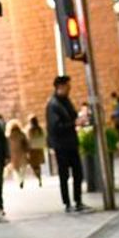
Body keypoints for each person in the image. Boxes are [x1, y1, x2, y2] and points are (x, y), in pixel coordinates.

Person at [45, 75, 87, 213]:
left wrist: (80, 118)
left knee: (78, 172)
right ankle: (67, 202)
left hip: (71, 142)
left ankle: (78, 200)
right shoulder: (53, 105)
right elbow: (55, 127)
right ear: (60, 87)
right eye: (68, 86)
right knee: (64, 175)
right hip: (61, 145)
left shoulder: (66, 101)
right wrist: (73, 124)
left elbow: (73, 115)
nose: (70, 89)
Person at [7, 119, 30, 188]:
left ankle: (19, 180)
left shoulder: (9, 136)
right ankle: (21, 179)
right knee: (23, 168)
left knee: (16, 169)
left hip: (13, 154)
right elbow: (26, 143)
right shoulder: (22, 134)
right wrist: (27, 151)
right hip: (21, 153)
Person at [25, 115, 47, 185]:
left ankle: (38, 177)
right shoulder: (40, 129)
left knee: (34, 165)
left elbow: (27, 139)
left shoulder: (29, 129)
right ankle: (39, 177)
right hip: (39, 148)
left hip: (32, 150)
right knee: (37, 165)